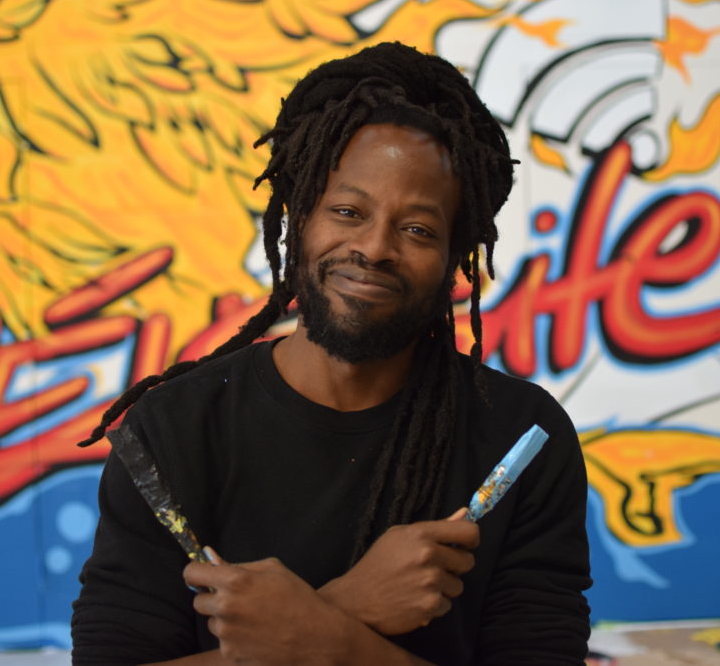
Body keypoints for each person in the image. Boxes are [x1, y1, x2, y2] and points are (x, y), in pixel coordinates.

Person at [71, 41, 592, 665]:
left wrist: (331, 636)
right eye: (347, 211)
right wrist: (349, 608)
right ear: (298, 216)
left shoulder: (519, 441)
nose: (374, 248)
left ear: (457, 256)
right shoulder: (174, 433)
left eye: (419, 229)